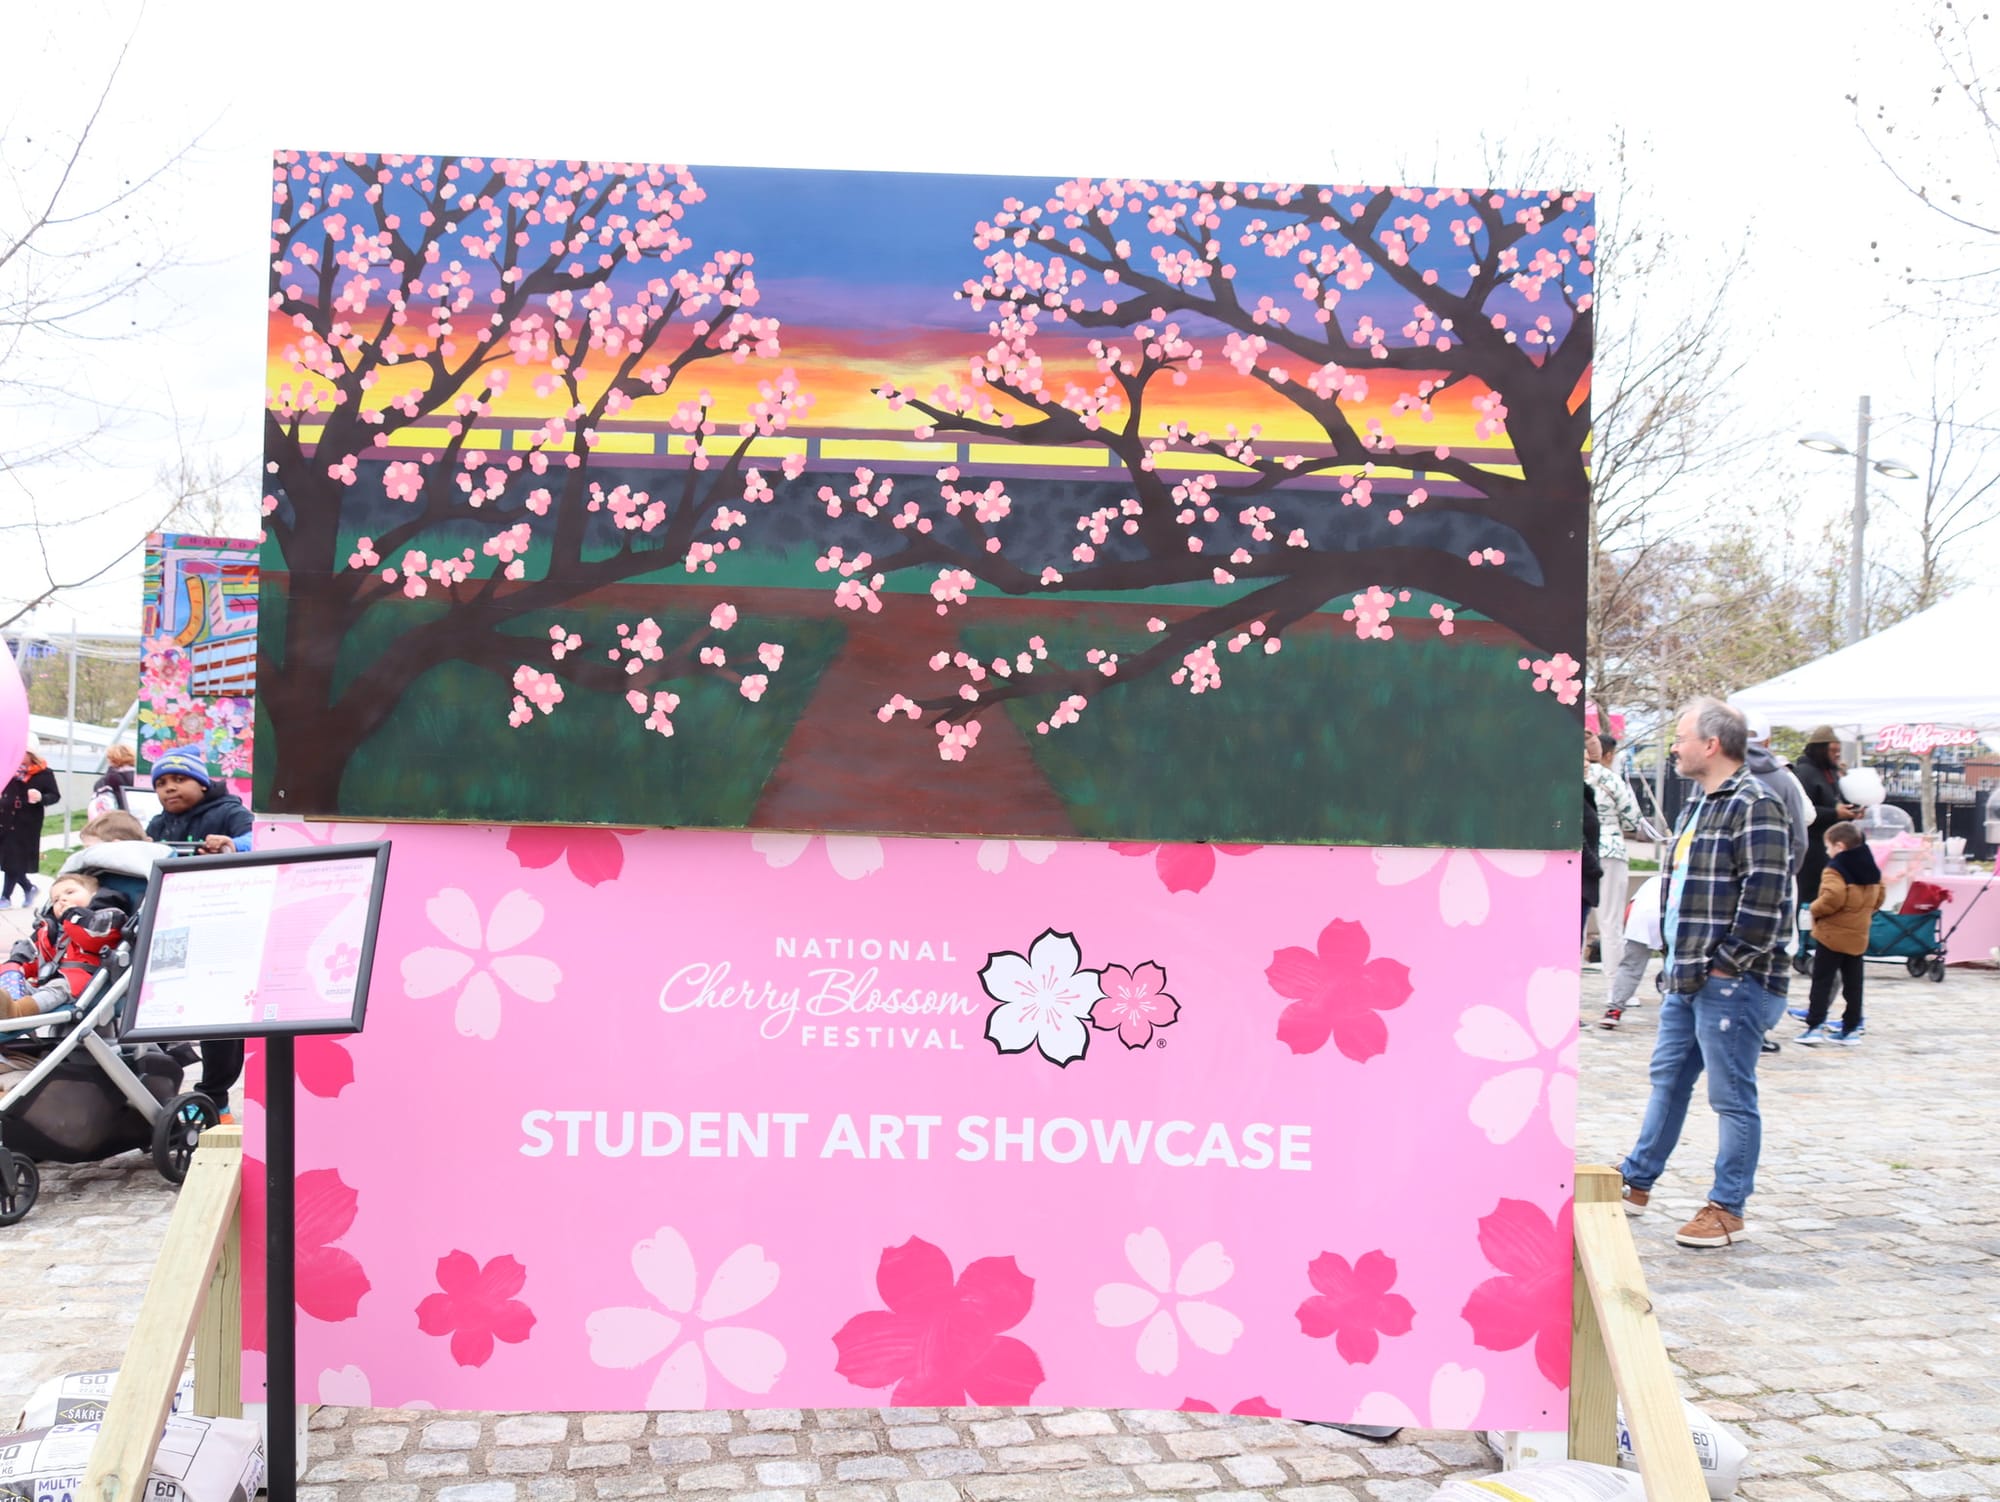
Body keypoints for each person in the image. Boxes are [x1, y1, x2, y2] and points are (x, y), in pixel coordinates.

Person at [1617, 699, 1793, 1249]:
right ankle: (1636, 1181)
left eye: (1682, 736)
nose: (1674, 746)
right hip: (1687, 977)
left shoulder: (1755, 804)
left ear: (1711, 745)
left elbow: (1765, 899)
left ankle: (1727, 1208)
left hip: (1730, 982)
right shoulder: (1702, 802)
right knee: (1668, 1082)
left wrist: (1726, 964)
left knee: (1731, 1096)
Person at [0, 871, 132, 1019]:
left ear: (94, 894)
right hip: (48, 981)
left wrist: (73, 916)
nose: (62, 899)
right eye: (55, 900)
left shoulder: (105, 918)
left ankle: (16, 1011)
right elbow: (34, 953)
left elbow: (92, 938)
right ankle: (6, 1004)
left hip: (80, 982)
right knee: (15, 982)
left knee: (56, 989)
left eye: (70, 892)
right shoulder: (54, 929)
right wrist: (16, 964)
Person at [1799, 822, 1883, 1045]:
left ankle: (1815, 1025)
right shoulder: (1870, 867)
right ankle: (1851, 1028)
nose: (1827, 851)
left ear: (1839, 846)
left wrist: (1813, 909)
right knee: (1854, 983)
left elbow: (1833, 897)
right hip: (1858, 933)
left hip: (1832, 934)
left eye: (1828, 847)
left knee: (1822, 980)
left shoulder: (1836, 868)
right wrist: (1863, 913)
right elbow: (1880, 895)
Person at [1585, 731, 1642, 964]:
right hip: (1611, 850)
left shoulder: (1566, 776)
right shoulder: (1610, 779)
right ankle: (1615, 985)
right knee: (1610, 921)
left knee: (1574, 919)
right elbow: (1632, 819)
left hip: (1581, 851)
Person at [1793, 727, 1862, 906]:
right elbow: (1805, 812)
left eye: (1838, 751)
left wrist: (1852, 811)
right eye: (1833, 750)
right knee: (1811, 898)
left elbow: (1837, 800)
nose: (1837, 755)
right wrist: (1834, 813)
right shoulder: (1804, 773)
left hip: (1833, 846)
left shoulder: (1830, 772)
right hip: (1813, 848)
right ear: (1820, 750)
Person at [144, 750, 252, 854]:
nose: (169, 788)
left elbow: (257, 840)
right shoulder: (157, 824)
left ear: (203, 785)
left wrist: (233, 846)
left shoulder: (230, 812)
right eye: (161, 784)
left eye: (179, 779)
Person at [1, 748, 62, 908]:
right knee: (9, 858)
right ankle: (29, 888)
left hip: (26, 822)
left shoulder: (44, 773)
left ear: (31, 754)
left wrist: (41, 797)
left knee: (13, 858)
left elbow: (54, 796)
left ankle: (5, 897)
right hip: (5, 818)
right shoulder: (8, 770)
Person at [1581, 781, 1602, 941]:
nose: (1587, 763)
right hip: (1578, 880)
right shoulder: (1571, 794)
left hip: (1583, 883)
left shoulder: (1584, 793)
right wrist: (1594, 868)